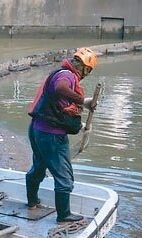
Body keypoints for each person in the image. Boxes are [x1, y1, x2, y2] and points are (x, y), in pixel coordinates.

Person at [25, 47, 99, 223]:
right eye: (87, 71)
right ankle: (64, 215)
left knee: (39, 166)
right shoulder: (66, 76)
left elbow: (58, 109)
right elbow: (60, 88)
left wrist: (80, 125)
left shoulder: (60, 72)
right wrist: (83, 101)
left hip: (38, 129)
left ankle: (32, 202)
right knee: (64, 176)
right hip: (51, 136)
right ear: (85, 69)